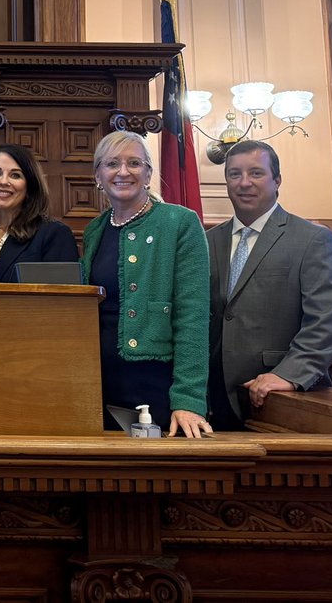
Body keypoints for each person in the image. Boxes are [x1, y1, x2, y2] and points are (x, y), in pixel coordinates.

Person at [207, 139, 332, 430]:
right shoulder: (207, 241)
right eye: (234, 174)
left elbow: (328, 320)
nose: (244, 182)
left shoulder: (312, 239)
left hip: (282, 396)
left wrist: (288, 375)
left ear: (277, 180)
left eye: (256, 173)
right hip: (215, 399)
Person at [81, 130, 212, 438]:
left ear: (149, 173)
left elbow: (193, 316)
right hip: (100, 382)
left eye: (134, 163)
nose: (123, 172)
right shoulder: (95, 230)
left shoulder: (180, 222)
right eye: (112, 163)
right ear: (98, 175)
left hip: (155, 385)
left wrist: (189, 399)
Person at [0, 143, 78, 282]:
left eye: (15, 175)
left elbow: (63, 300)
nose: (3, 181)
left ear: (30, 185)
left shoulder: (54, 235)